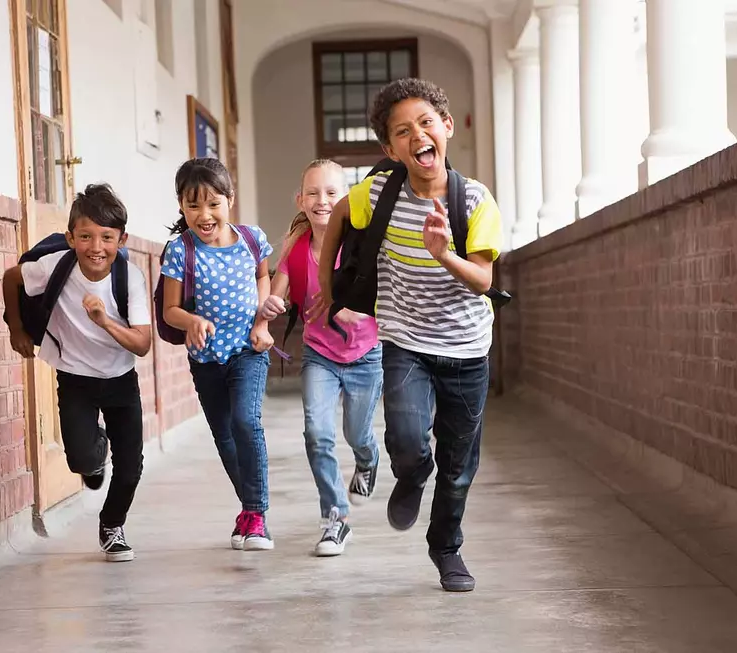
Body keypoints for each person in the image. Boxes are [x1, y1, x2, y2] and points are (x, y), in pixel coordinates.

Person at [312, 78, 503, 591]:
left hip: (467, 348)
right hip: (407, 342)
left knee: (459, 465)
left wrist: (444, 252)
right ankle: (412, 475)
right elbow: (334, 223)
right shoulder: (377, 192)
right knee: (407, 438)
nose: (417, 135)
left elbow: (484, 279)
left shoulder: (476, 200)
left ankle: (446, 549)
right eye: (402, 131)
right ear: (390, 148)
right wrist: (330, 287)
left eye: (425, 123)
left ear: (446, 128)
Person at [3, 183, 152, 563]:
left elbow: (141, 344)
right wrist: (16, 328)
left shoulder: (129, 277)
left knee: (131, 467)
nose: (95, 247)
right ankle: (94, 450)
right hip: (75, 378)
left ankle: (112, 526)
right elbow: (11, 278)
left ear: (122, 239)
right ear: (71, 237)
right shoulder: (56, 266)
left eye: (106, 237)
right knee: (81, 462)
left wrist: (104, 321)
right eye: (85, 236)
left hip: (120, 378)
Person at [258, 159, 382, 557]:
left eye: (331, 193)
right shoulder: (296, 246)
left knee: (356, 434)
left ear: (345, 198)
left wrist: (353, 310)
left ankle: (368, 458)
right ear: (300, 199)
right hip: (320, 356)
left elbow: (386, 296)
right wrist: (270, 308)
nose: (321, 200)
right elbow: (277, 294)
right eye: (312, 193)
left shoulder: (359, 244)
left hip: (365, 353)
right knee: (317, 433)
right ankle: (335, 517)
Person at [159, 157, 277, 551]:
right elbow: (169, 311)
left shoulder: (251, 238)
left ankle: (257, 515)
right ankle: (248, 508)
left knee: (246, 422)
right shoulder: (180, 250)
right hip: (206, 358)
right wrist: (190, 321)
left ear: (230, 199)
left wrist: (262, 322)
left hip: (248, 350)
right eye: (193, 206)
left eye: (213, 204)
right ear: (181, 206)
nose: (204, 215)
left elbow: (264, 276)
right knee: (225, 436)